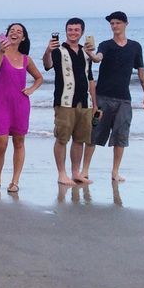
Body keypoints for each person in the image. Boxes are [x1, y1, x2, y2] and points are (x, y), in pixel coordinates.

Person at [83, 10, 144, 183]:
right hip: (102, 98)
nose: (114, 26)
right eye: (112, 23)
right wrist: (90, 54)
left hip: (124, 100)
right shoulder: (106, 45)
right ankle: (84, 171)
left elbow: (142, 72)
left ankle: (115, 172)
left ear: (125, 24)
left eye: (117, 23)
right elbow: (98, 58)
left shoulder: (135, 47)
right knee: (94, 134)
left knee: (121, 137)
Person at [0, 23, 44, 194]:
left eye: (19, 32)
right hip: (0, 104)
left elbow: (39, 78)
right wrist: (2, 52)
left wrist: (31, 89)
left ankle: (15, 181)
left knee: (19, 142)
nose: (15, 33)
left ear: (23, 37)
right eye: (12, 31)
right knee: (1, 143)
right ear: (6, 35)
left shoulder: (26, 58)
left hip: (20, 105)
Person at [42, 18, 94, 187]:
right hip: (64, 101)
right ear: (66, 31)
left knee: (80, 139)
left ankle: (76, 172)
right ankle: (61, 174)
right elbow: (47, 65)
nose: (73, 32)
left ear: (82, 32)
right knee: (62, 138)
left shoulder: (86, 52)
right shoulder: (58, 50)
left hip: (84, 102)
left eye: (76, 30)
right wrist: (48, 51)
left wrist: (95, 102)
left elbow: (90, 77)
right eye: (70, 30)